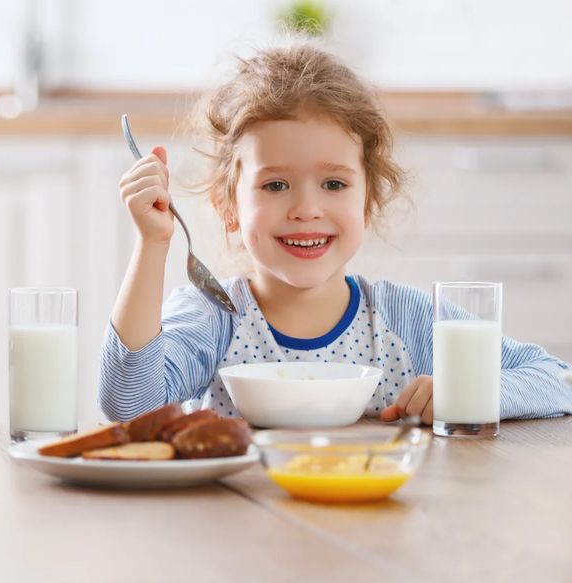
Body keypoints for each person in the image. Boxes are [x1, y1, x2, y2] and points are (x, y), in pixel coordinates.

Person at [99, 43, 572, 425]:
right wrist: (153, 244)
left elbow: (556, 378)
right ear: (229, 208)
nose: (307, 209)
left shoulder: (403, 320)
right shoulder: (214, 317)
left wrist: (466, 390)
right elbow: (129, 405)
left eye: (334, 184)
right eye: (276, 184)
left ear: (366, 202)